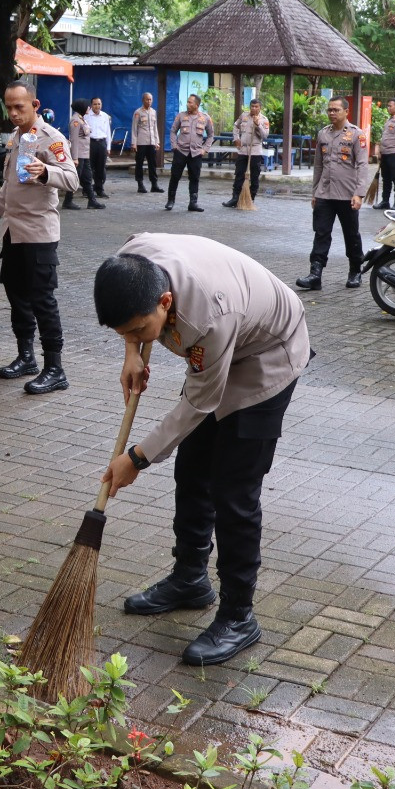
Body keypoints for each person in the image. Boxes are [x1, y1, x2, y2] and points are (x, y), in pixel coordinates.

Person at [95, 236, 311, 666]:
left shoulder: (205, 319)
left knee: (234, 491)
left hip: (266, 355)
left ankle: (239, 616)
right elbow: (140, 324)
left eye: (140, 329)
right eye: (125, 331)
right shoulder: (131, 259)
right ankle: (190, 579)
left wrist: (136, 458)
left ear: (166, 300)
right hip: (224, 346)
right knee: (192, 470)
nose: (135, 336)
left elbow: (198, 402)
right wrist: (131, 352)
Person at [0, 81, 80, 395]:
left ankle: (55, 367)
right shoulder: (17, 138)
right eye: (8, 107)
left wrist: (46, 172)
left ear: (34, 105)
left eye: (19, 107)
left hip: (39, 234)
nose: (13, 113)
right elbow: (10, 185)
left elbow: (72, 179)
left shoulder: (51, 138)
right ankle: (26, 357)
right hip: (13, 232)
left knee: (42, 300)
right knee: (17, 296)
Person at [296, 96, 370, 291]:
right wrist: (314, 192)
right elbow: (318, 165)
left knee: (351, 234)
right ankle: (315, 274)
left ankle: (355, 271)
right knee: (321, 233)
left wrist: (359, 194)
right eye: (329, 109)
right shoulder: (323, 134)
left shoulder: (356, 135)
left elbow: (362, 165)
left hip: (347, 194)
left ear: (346, 112)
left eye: (336, 109)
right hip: (324, 193)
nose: (331, 113)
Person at [166, 94, 215, 212]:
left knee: (194, 178)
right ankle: (170, 201)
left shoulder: (205, 118)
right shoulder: (181, 116)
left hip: (196, 153)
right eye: (187, 102)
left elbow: (210, 135)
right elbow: (173, 131)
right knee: (175, 176)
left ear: (196, 105)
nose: (188, 104)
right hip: (181, 152)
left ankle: (193, 203)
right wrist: (174, 146)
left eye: (190, 102)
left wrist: (205, 149)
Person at [223, 98, 269, 207]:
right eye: (252, 106)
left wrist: (258, 125)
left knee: (254, 176)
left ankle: (250, 199)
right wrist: (236, 139)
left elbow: (265, 136)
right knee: (239, 174)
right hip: (243, 150)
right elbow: (235, 126)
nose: (254, 108)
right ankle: (235, 198)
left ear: (260, 108)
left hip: (255, 151)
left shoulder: (263, 119)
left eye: (256, 106)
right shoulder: (244, 116)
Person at [64, 99, 103, 210]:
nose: (89, 108)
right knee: (75, 178)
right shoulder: (75, 121)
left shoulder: (82, 119)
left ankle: (92, 200)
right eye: (87, 106)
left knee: (87, 178)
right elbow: (74, 140)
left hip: (85, 155)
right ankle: (68, 201)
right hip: (79, 155)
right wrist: (75, 157)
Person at [131, 92, 162, 194]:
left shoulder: (153, 112)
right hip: (141, 142)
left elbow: (155, 127)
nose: (149, 101)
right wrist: (134, 143)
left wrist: (157, 141)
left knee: (152, 164)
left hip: (151, 142)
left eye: (150, 100)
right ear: (143, 100)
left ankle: (154, 184)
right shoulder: (138, 112)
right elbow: (134, 128)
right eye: (147, 99)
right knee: (139, 163)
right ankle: (140, 184)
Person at [84, 97, 112, 200]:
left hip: (102, 143)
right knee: (89, 168)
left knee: (101, 168)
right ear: (91, 105)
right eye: (95, 104)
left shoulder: (104, 116)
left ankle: (100, 189)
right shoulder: (86, 116)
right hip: (90, 143)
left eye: (99, 104)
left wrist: (108, 147)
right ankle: (87, 190)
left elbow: (108, 132)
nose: (97, 106)